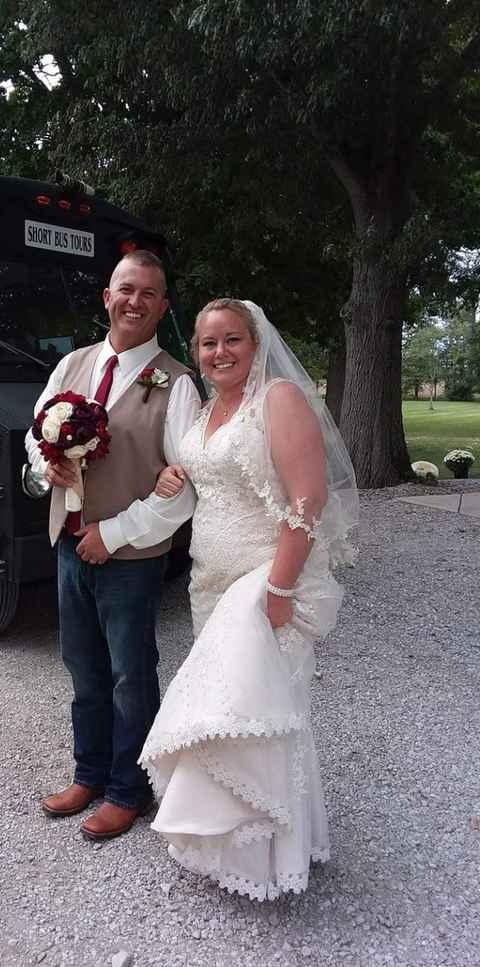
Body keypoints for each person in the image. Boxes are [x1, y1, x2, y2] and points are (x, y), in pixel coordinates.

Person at [138, 298, 358, 900]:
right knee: (224, 718)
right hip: (208, 581)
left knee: (266, 717)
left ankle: (276, 855)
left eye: (232, 340)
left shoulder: (278, 401)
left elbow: (308, 499)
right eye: (209, 344)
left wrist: (282, 587)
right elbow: (201, 481)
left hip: (263, 584)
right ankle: (225, 847)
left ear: (256, 344)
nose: (219, 353)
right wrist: (169, 476)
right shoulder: (207, 412)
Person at [24, 250, 201, 840]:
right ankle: (88, 774)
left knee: (131, 675)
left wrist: (114, 533)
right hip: (65, 546)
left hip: (129, 559)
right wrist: (43, 465)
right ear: (107, 297)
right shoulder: (71, 365)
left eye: (149, 294)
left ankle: (129, 790)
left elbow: (185, 490)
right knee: (83, 670)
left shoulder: (176, 385)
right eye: (126, 289)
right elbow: (35, 433)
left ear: (163, 307)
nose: (135, 301)